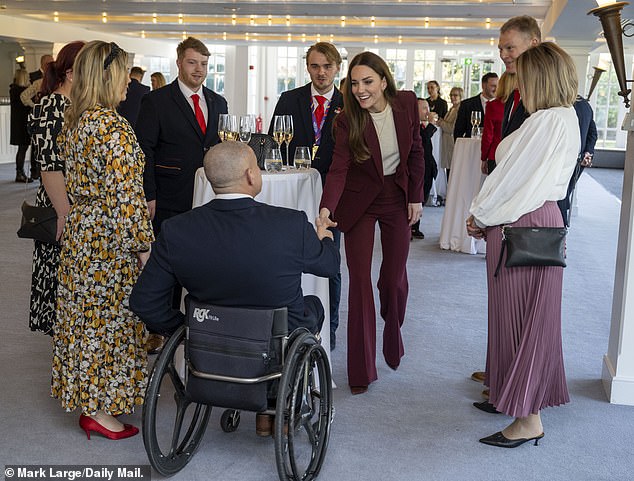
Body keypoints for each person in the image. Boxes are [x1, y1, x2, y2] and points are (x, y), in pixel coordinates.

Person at [466, 42, 580, 448]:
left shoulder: (547, 121)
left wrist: (480, 215)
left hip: (523, 220)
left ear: (541, 78)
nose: (518, 86)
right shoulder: (558, 118)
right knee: (515, 315)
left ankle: (528, 418)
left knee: (523, 321)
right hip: (530, 219)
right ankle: (507, 392)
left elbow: (514, 180)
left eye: (523, 77)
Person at [130, 141, 339, 337]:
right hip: (276, 338)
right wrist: (325, 238)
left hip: (209, 339)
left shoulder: (175, 230)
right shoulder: (292, 223)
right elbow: (329, 266)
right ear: (251, 176)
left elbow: (144, 302)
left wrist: (186, 329)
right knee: (314, 305)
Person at [53, 41, 154, 440]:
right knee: (111, 323)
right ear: (107, 75)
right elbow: (127, 200)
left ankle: (91, 403)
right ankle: (100, 411)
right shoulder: (112, 127)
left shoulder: (79, 122)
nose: (130, 82)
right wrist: (147, 253)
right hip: (109, 242)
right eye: (125, 73)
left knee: (86, 322)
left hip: (82, 236)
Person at [318, 52, 424, 394]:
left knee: (392, 280)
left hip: (397, 197)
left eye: (367, 82)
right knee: (359, 282)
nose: (361, 90)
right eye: (355, 83)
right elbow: (338, 168)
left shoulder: (406, 103)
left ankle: (393, 333)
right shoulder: (347, 119)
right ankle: (361, 370)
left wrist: (416, 196)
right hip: (360, 202)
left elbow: (417, 152)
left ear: (383, 81)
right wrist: (326, 210)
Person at [136, 36, 228, 354]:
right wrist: (149, 193)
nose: (199, 70)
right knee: (166, 264)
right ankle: (158, 329)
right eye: (192, 62)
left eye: (204, 64)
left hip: (208, 196)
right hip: (168, 195)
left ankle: (200, 326)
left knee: (201, 261)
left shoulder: (218, 102)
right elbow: (144, 149)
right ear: (179, 63)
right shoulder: (157, 101)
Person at [470, 15, 541, 392]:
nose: (503, 55)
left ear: (534, 43)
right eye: (500, 48)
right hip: (504, 207)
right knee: (501, 303)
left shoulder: (549, 102)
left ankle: (514, 383)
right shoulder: (515, 91)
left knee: (521, 308)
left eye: (509, 47)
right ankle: (499, 371)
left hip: (527, 212)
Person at [268, 42, 344, 351]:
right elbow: (273, 145)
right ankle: (287, 321)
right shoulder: (290, 99)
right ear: (307, 68)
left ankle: (332, 328)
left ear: (337, 68)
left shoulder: (348, 103)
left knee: (330, 259)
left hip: (332, 191)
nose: (321, 72)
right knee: (287, 255)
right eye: (315, 66)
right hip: (294, 191)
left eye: (327, 66)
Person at [27, 41, 85, 335]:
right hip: (59, 204)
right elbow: (49, 166)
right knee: (60, 286)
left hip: (71, 204)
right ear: (72, 73)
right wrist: (65, 214)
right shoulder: (52, 106)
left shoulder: (76, 106)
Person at [557, 96, 598, 226]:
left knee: (559, 195)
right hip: (579, 159)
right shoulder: (585, 105)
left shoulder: (559, 106)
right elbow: (593, 133)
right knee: (564, 193)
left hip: (562, 159)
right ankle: (561, 228)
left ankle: (559, 229)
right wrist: (588, 152)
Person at [21, 54, 54, 181]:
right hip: (41, 120)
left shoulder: (59, 82)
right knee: (40, 148)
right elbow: (24, 96)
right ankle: (39, 173)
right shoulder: (38, 82)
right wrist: (35, 106)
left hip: (53, 120)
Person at [411, 98, 437, 240]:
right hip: (418, 168)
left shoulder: (422, 125)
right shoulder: (412, 126)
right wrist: (431, 125)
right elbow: (424, 139)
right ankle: (409, 227)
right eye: (424, 108)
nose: (428, 111)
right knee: (416, 195)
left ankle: (416, 226)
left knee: (423, 197)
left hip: (428, 167)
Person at [480, 72, 512, 175]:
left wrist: (484, 158)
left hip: (495, 154)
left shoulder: (492, 106)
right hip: (514, 154)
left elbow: (488, 135)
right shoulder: (522, 106)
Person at [453, 72, 498, 140]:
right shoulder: (467, 105)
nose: (496, 89)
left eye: (498, 86)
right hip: (471, 147)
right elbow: (458, 132)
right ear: (483, 85)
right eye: (493, 86)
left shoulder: (502, 106)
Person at [9, 69, 32, 183]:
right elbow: (26, 105)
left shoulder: (14, 90)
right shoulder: (20, 91)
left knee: (22, 148)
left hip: (18, 123)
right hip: (21, 124)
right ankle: (19, 173)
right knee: (23, 148)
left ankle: (20, 172)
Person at [436, 86, 462, 181]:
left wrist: (441, 122)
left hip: (451, 143)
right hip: (447, 143)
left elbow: (452, 128)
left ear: (460, 96)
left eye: (455, 95)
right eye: (451, 95)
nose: (452, 97)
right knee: (448, 169)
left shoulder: (459, 110)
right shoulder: (452, 109)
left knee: (452, 170)